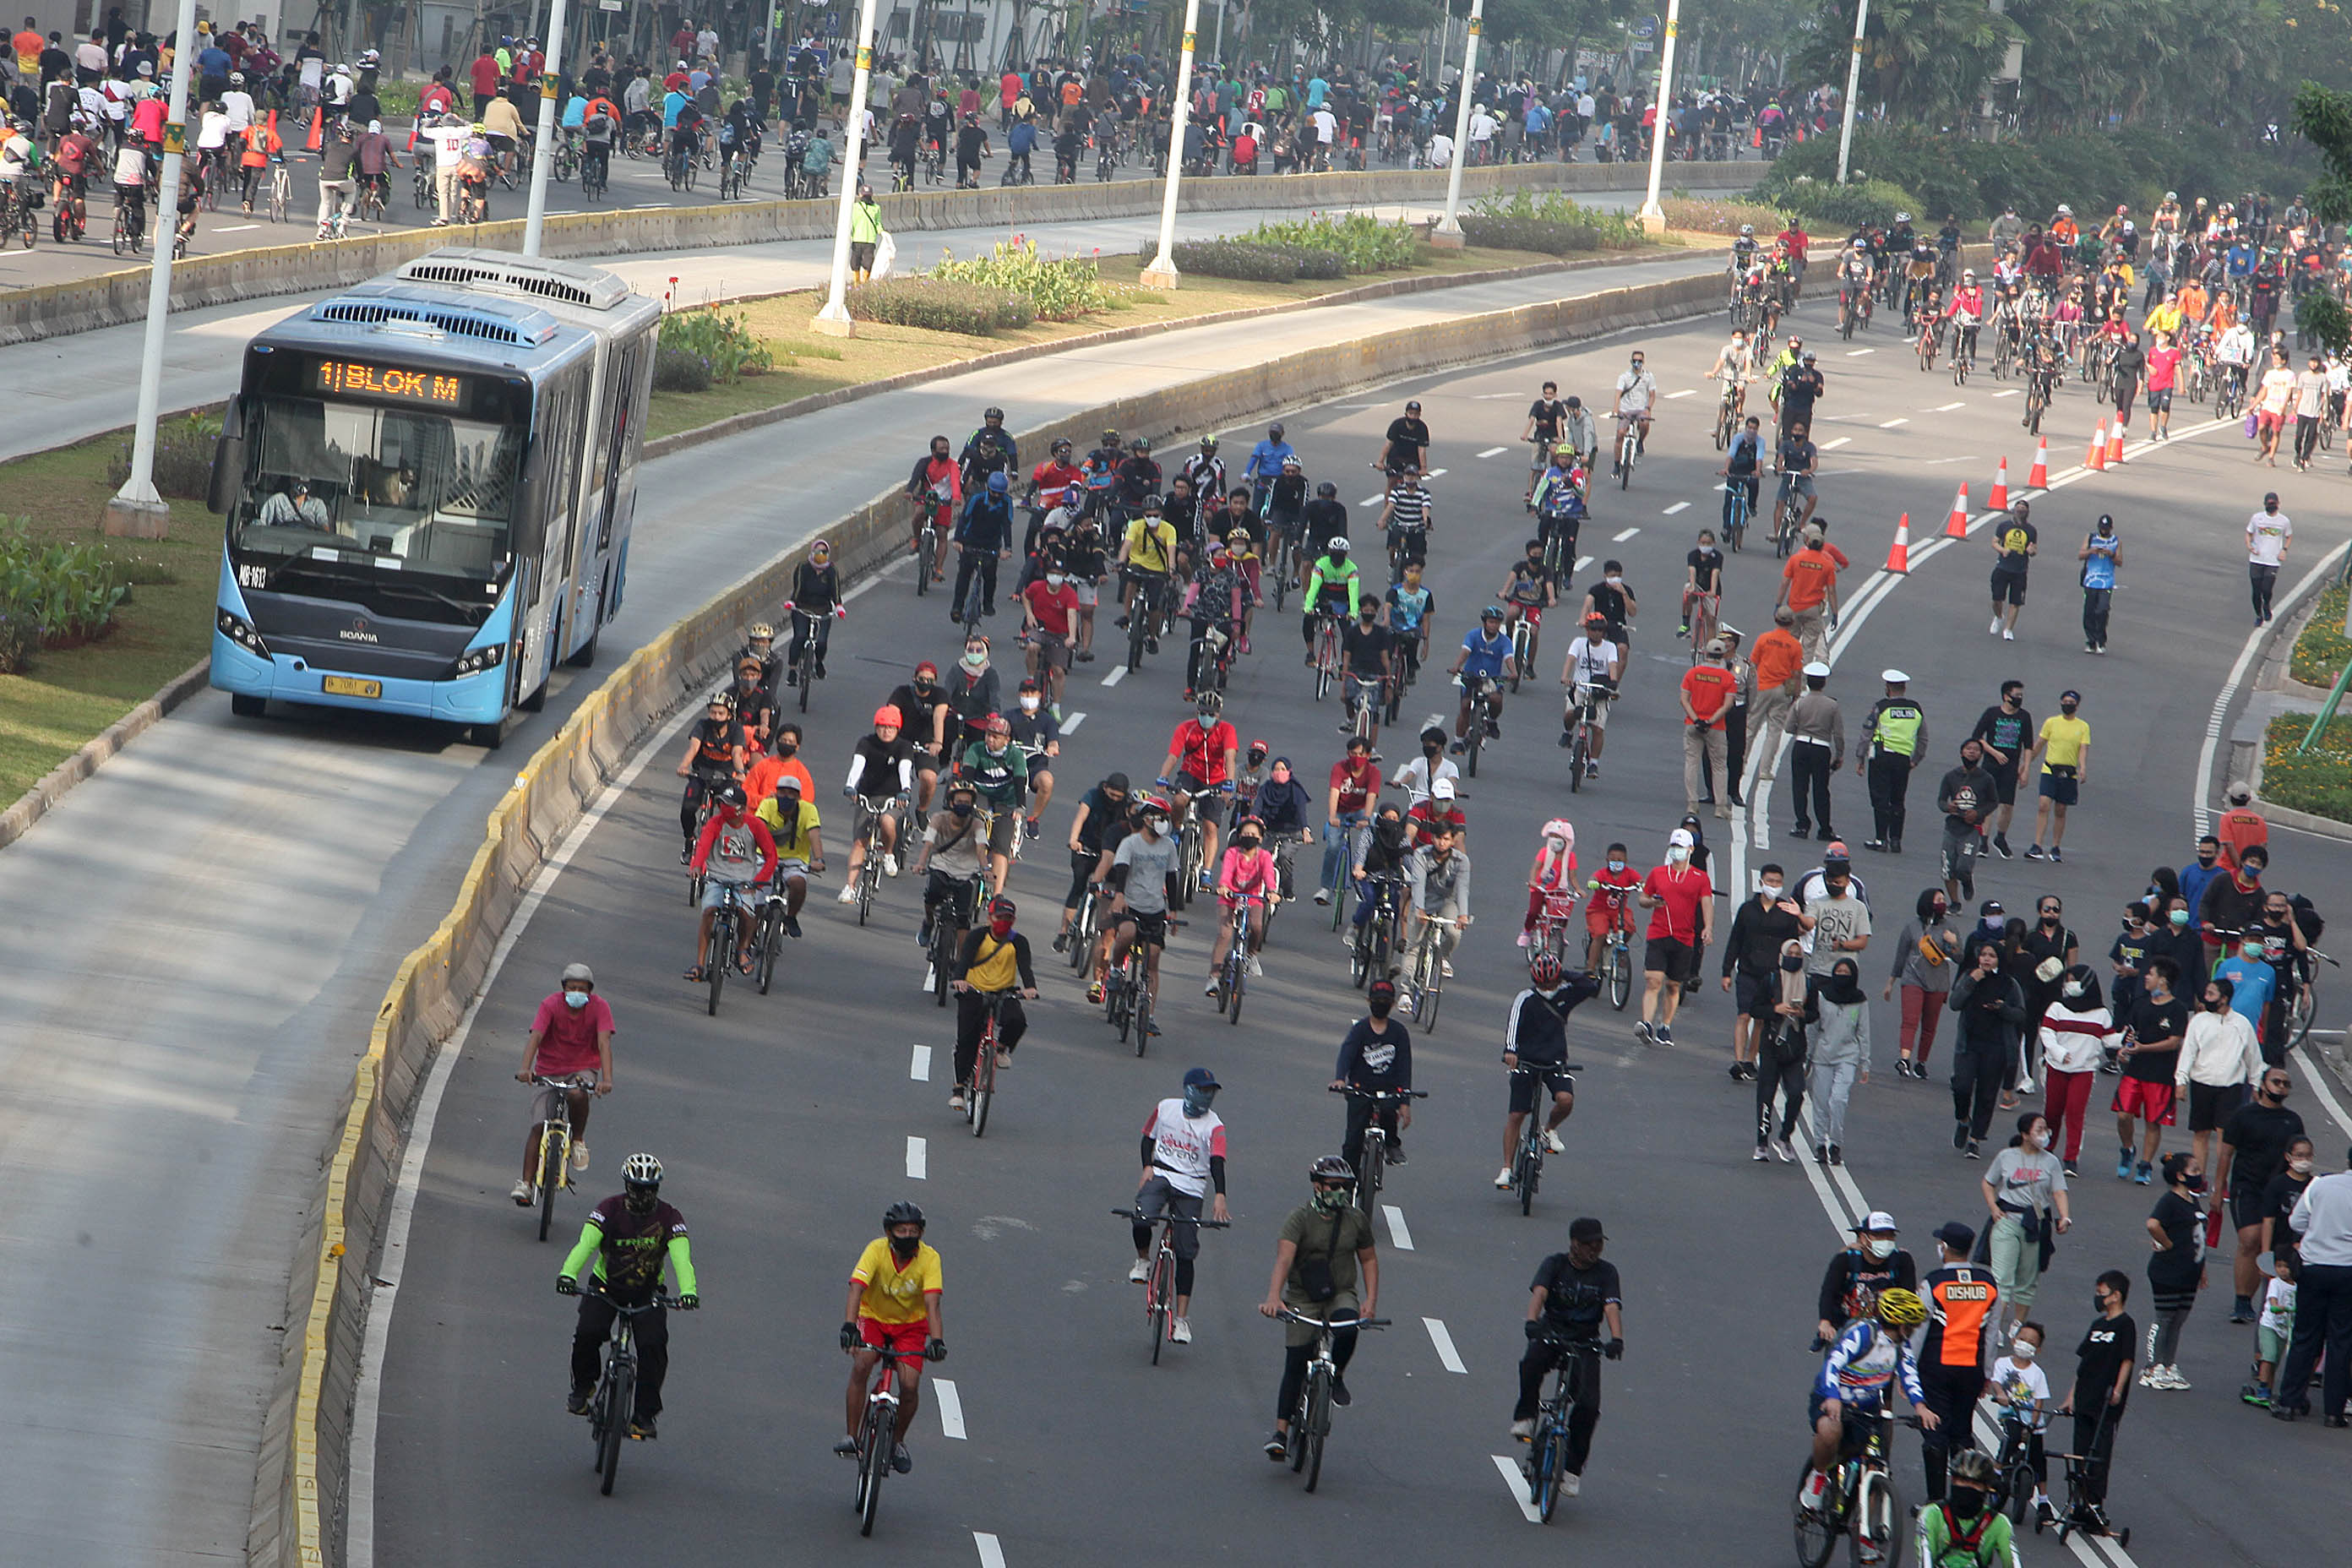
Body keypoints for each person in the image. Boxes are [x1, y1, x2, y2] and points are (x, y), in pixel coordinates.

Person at [556, 1152, 698, 1439]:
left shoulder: (670, 1217)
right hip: (607, 1286)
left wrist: (688, 1292)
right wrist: (568, 1274)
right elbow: (586, 1244)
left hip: (648, 1292)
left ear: (657, 1189)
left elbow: (682, 1258)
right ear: (627, 1186)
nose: (643, 1196)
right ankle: (583, 1387)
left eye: (650, 1190)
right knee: (587, 1332)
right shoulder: (608, 1209)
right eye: (637, 1188)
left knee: (654, 1345)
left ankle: (644, 1415)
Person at [1259, 1154, 1379, 1458]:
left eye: (1346, 1187)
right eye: (1335, 1186)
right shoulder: (1299, 1219)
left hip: (1340, 1293)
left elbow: (1368, 1259)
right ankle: (1281, 1432)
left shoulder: (1355, 1220)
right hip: (1302, 1297)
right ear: (1317, 1187)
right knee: (1296, 1361)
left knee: (1349, 1328)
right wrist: (1275, 1298)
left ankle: (1335, 1376)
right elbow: (1284, 1260)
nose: (1342, 1192)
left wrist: (1370, 1301)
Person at [1509, 1215, 1624, 1498]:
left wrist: (1616, 1339)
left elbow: (1611, 1307)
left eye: (1598, 1243)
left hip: (1586, 1343)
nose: (1594, 1249)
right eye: (1588, 1244)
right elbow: (1540, 1293)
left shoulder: (1607, 1273)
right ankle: (1526, 1416)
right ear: (1574, 1243)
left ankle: (1571, 1470)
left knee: (1588, 1405)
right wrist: (1532, 1321)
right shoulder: (1555, 1264)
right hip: (1553, 1333)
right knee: (1531, 1363)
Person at [1801, 1286, 1938, 1511]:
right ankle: (1817, 1477)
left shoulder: (1901, 1347)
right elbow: (1833, 1364)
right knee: (1830, 1431)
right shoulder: (1862, 1335)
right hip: (1833, 1399)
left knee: (1871, 1454)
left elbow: (1909, 1374)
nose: (1915, 1330)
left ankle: (1863, 1516)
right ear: (1902, 1325)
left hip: (1867, 1407)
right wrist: (1833, 1397)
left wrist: (1920, 1406)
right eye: (1912, 1326)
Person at [836, 1201, 945, 1473]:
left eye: (913, 1231)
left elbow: (932, 1304)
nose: (907, 1236)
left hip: (910, 1326)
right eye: (901, 1230)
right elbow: (856, 1288)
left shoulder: (930, 1258)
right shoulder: (876, 1250)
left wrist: (937, 1341)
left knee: (909, 1384)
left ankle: (897, 1442)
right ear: (889, 1233)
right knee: (863, 1363)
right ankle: (852, 1437)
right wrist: (850, 1326)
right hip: (872, 1317)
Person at [509, 963, 616, 1206]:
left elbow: (604, 1044)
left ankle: (577, 1140)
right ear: (563, 989)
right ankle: (525, 1183)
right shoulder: (550, 1005)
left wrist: (606, 1079)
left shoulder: (600, 1007)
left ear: (590, 991)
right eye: (572, 988)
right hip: (548, 1070)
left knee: (579, 1094)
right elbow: (535, 1036)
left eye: (582, 989)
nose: (577, 992)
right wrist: (526, 1069)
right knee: (538, 1126)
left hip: (582, 1068)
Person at [1498, 954, 1599, 1186]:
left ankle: (1549, 1129)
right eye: (1542, 984)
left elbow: (1589, 985)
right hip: (1525, 1062)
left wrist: (1563, 974)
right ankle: (1506, 1168)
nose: (1547, 988)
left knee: (1566, 1100)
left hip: (1555, 1061)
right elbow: (1512, 1026)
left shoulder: (1565, 993)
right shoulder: (1525, 998)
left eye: (1551, 982)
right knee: (1517, 1115)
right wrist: (1510, 1051)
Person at [1914, 1220, 1996, 1502]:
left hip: (1937, 1366)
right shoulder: (1989, 1283)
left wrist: (1907, 1371)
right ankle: (1965, 1500)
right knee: (1962, 1432)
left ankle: (1936, 1502)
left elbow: (1918, 1328)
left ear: (1945, 1248)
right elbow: (1992, 1333)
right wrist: (1987, 1374)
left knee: (1935, 1432)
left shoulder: (1933, 1282)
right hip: (1971, 1369)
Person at [2214, 1067, 2304, 1322]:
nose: (2281, 1087)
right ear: (2263, 1085)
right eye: (2276, 1082)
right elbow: (2226, 1153)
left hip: (2279, 1192)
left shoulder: (2293, 1121)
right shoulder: (2243, 1116)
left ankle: (2271, 1300)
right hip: (2247, 1187)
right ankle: (2242, 1301)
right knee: (2251, 1240)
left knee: (2277, 1246)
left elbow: (2299, 1154)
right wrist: (2219, 1189)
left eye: (2286, 1084)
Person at [2271, 1146, 2352, 1424]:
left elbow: (2296, 1221)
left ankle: (2289, 1402)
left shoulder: (2321, 1184)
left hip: (2313, 1267)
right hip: (2348, 1271)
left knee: (2305, 1336)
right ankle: (2334, 1411)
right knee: (2341, 1342)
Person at [1983, 1112, 2072, 1342]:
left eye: (2046, 1130)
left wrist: (2065, 1216)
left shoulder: (2051, 1162)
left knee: (2027, 1279)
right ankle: (1995, 1328)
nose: (2045, 1135)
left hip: (2036, 1223)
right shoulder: (2006, 1157)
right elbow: (1988, 1182)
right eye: (2039, 1130)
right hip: (2007, 1220)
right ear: (2025, 1134)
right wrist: (1994, 1208)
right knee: (2001, 1278)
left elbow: (2059, 1191)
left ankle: (2017, 1324)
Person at [1091, 793, 1180, 1018]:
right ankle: (1115, 969)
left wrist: (1174, 911)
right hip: (1131, 905)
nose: (1161, 821)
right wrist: (1119, 896)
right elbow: (1121, 870)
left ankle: (1148, 1016)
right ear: (1146, 818)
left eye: (1164, 817)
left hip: (1155, 908)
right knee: (1127, 934)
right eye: (1157, 816)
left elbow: (1171, 878)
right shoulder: (1130, 843)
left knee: (1153, 958)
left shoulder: (1168, 846)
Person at [2055, 1271, 2135, 1516]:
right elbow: (2084, 1365)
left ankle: (2095, 1502)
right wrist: (2071, 1397)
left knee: (2099, 1453)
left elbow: (2127, 1360)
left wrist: (2118, 1390)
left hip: (2105, 1400)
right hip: (2084, 1398)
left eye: (2102, 1294)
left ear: (2116, 1296)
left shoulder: (2125, 1325)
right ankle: (2079, 1499)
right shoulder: (2097, 1325)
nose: (2098, 1298)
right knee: (2079, 1450)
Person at [684, 781, 776, 981]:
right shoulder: (715, 823)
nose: (723, 808)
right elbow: (703, 846)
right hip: (717, 876)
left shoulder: (755, 826)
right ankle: (700, 964)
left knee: (747, 913)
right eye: (722, 803)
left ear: (742, 809)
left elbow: (771, 857)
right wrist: (697, 867)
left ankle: (742, 949)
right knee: (709, 911)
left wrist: (759, 881)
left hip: (745, 879)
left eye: (729, 804)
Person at [2175, 975, 2262, 1179]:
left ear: (2224, 999)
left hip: (2230, 1087)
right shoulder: (2198, 1021)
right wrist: (2181, 1080)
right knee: (2201, 1133)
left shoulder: (2242, 1024)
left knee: (2226, 1136)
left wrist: (2256, 1084)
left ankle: (2221, 1183)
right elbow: (2188, 1052)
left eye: (2211, 994)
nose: (2206, 997)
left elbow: (2253, 1057)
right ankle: (2200, 1179)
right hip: (2201, 1084)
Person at [1950, 939, 2028, 1157]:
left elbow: (2020, 1014)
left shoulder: (2009, 984)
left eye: (1991, 955)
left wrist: (2002, 1009)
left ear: (1999, 960)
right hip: (1969, 1044)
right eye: (1983, 954)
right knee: (1961, 1086)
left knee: (1986, 1094)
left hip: (1997, 1047)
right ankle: (1963, 1120)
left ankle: (1975, 1139)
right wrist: (1971, 982)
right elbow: (1954, 1003)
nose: (1986, 959)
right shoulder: (1969, 976)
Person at [2141, 1150, 2209, 1391]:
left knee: (2178, 1320)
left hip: (2189, 1273)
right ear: (2180, 1175)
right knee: (2164, 1318)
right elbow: (2153, 1224)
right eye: (2194, 1171)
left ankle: (2169, 1365)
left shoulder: (2193, 1200)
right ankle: (2153, 1366)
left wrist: (2202, 1268)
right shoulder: (2169, 1201)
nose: (2199, 1175)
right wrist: (2168, 1244)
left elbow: (2198, 1236)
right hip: (2167, 1271)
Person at [2115, 956, 2186, 1184]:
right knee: (2123, 1114)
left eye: (2151, 974)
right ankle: (2128, 1149)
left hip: (2161, 1073)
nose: (2146, 977)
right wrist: (2125, 1049)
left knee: (2152, 1122)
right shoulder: (2141, 1003)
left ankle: (2145, 1165)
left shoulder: (2178, 1009)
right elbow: (2131, 1032)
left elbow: (2175, 1042)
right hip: (2135, 1070)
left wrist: (2144, 1048)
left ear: (2163, 981)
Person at [1333, 978, 1413, 1172]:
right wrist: (1340, 1079)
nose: (1381, 1005)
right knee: (1353, 1140)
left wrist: (1404, 1103)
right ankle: (1348, 1184)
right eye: (1378, 1000)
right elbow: (1347, 1054)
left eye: (1386, 1001)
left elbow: (1404, 1067)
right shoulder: (1360, 1030)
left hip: (1388, 1091)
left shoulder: (1399, 1032)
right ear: (1369, 1002)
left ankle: (1392, 1145)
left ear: (1393, 1005)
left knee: (1387, 1112)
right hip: (1361, 1089)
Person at [2040, 966, 2111, 1178]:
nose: (2068, 984)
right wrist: (2059, 1053)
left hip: (2083, 1070)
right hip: (2056, 1067)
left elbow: (2108, 1038)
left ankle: (2071, 1158)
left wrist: (2125, 1040)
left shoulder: (2102, 1014)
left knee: (2075, 1112)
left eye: (2073, 980)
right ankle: (2046, 1149)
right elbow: (2047, 1032)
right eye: (2067, 980)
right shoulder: (2057, 1008)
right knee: (2052, 1111)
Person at [1886, 889, 1963, 1081]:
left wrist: (1953, 944)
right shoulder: (1912, 927)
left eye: (1944, 900)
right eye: (1938, 900)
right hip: (1913, 978)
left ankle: (1921, 1062)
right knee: (1910, 1020)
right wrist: (1891, 982)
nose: (1942, 903)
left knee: (1929, 1026)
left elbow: (1960, 957)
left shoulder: (1950, 928)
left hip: (1937, 983)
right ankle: (1904, 1058)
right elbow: (1901, 956)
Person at [1819, 1212, 1919, 1346]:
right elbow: (1828, 1292)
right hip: (1847, 1331)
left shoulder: (1902, 1260)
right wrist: (1825, 1322)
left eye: (1890, 1236)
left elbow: (1908, 1295)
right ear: (1863, 1238)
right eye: (1878, 1236)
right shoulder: (1845, 1260)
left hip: (1887, 1334)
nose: (1886, 1240)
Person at [1855, 670, 1926, 855]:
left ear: (1887, 688)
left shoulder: (1881, 707)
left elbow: (1866, 733)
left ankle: (1881, 839)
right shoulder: (1915, 708)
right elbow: (1923, 737)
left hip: (1882, 757)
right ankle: (1896, 840)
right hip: (1903, 759)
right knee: (1898, 800)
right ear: (1904, 688)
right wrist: (1916, 759)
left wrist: (1860, 758)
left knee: (1880, 799)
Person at [1810, 956, 1872, 1166]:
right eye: (1839, 972)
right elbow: (1814, 1027)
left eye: (1847, 973)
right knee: (1820, 1102)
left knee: (1838, 1100)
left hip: (1848, 1055)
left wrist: (1865, 1062)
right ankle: (1820, 1144)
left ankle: (1835, 1143)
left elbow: (1864, 1031)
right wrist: (1807, 1057)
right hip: (1823, 1055)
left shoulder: (1860, 1000)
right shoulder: (1823, 996)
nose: (1842, 976)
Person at [1915, 1447, 2019, 1567]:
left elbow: (2014, 1564)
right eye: (1963, 1481)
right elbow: (1925, 1562)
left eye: (1975, 1484)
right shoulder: (1931, 1515)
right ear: (1953, 1481)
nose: (1968, 1488)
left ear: (1986, 1488)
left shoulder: (1999, 1523)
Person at [1968, 681, 2034, 858]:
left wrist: (2026, 768)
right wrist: (1993, 752)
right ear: (2006, 696)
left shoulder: (2024, 717)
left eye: (2021, 695)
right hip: (1991, 763)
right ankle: (1983, 840)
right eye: (2016, 695)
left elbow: (2028, 745)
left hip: (2010, 766)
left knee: (2007, 805)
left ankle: (2001, 837)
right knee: (1989, 802)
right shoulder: (1992, 713)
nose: (2019, 698)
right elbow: (1977, 737)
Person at [2023, 690, 2088, 862]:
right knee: (2044, 804)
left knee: (2060, 809)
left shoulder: (2082, 726)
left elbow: (2083, 748)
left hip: (2069, 772)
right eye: (2065, 701)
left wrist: (2083, 767)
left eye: (2071, 702)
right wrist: (2027, 765)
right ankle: (2037, 845)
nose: (2068, 704)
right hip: (2050, 769)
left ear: (2077, 705)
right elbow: (2039, 744)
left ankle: (2055, 846)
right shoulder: (2051, 722)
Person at [1936, 740, 2001, 907]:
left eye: (1976, 750)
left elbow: (1994, 802)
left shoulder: (1986, 779)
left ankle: (1967, 880)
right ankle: (1955, 902)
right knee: (1947, 869)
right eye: (1968, 749)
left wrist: (1978, 813)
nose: (1972, 752)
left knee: (1963, 866)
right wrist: (1947, 807)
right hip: (1952, 827)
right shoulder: (1951, 776)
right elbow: (1941, 800)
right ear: (1961, 752)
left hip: (1971, 830)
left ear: (1980, 755)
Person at [1783, 660, 1843, 840]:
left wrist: (1801, 730)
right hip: (1821, 748)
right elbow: (1838, 733)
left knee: (1799, 787)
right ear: (1823, 683)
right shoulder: (1832, 705)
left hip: (1801, 745)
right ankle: (1825, 828)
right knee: (1821, 789)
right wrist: (1839, 754)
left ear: (1808, 682)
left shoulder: (1800, 703)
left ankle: (1802, 824)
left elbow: (1788, 727)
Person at [1446, 604, 1516, 754]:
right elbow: (1466, 651)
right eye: (1491, 622)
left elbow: (1509, 658)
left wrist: (1513, 672)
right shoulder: (1473, 635)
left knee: (1496, 700)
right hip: (1471, 676)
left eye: (1497, 622)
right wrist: (1457, 666)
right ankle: (1458, 741)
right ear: (1484, 622)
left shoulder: (1504, 641)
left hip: (1492, 679)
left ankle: (1492, 721)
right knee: (1465, 706)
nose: (1494, 625)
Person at [1680, 640, 1737, 818]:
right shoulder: (1727, 677)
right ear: (1723, 656)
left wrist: (1696, 719)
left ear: (1705, 654)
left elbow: (1684, 699)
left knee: (1692, 762)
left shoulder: (1693, 673)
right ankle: (1720, 807)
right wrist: (1711, 721)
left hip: (1693, 724)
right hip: (1716, 727)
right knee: (1719, 766)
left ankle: (1692, 804)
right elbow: (1727, 705)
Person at [2077, 514, 2120, 654]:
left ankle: (2101, 640)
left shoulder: (2115, 541)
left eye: (2106, 529)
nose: (2104, 531)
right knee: (2089, 612)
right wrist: (2091, 551)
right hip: (2090, 581)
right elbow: (2080, 555)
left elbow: (2120, 561)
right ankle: (2091, 641)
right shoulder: (2091, 538)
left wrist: (2111, 554)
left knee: (2102, 610)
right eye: (2102, 528)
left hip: (2106, 582)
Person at [2246, 492, 2290, 625]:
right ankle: (2259, 615)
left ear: (2278, 504)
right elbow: (2249, 533)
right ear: (2264, 504)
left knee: (2266, 589)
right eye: (2269, 504)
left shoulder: (2284, 521)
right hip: (2256, 559)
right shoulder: (2257, 518)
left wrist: (2284, 550)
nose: (2271, 506)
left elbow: (2288, 536)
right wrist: (2249, 545)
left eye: (2274, 504)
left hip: (2273, 561)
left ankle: (2267, 605)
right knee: (2256, 591)